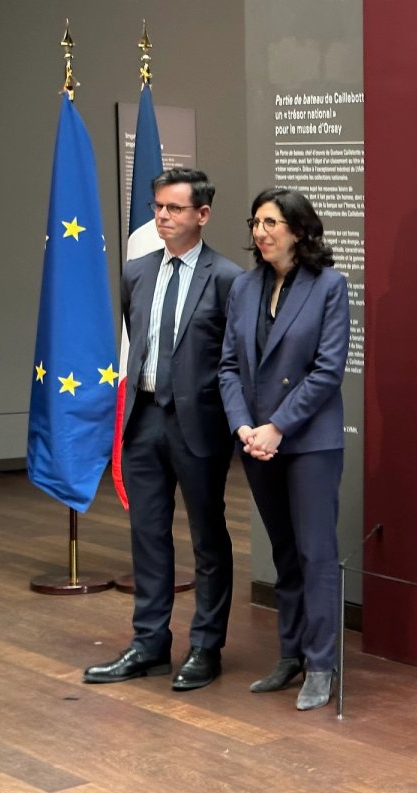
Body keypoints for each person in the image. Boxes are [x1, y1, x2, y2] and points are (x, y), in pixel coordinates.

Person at [84, 168, 242, 691]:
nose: (162, 217)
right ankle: (149, 645)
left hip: (198, 424)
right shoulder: (137, 271)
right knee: (147, 535)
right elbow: (138, 339)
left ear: (203, 214)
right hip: (144, 418)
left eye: (174, 208)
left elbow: (233, 359)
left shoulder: (227, 278)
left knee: (207, 538)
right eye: (158, 207)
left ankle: (205, 647)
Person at [219, 188, 349, 712]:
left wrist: (277, 426)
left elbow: (327, 370)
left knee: (316, 553)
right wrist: (243, 427)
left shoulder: (330, 286)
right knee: (284, 551)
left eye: (271, 222)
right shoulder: (243, 286)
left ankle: (322, 664)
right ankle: (291, 654)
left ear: (298, 230)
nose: (260, 232)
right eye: (255, 222)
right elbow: (229, 366)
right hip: (256, 442)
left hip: (309, 441)